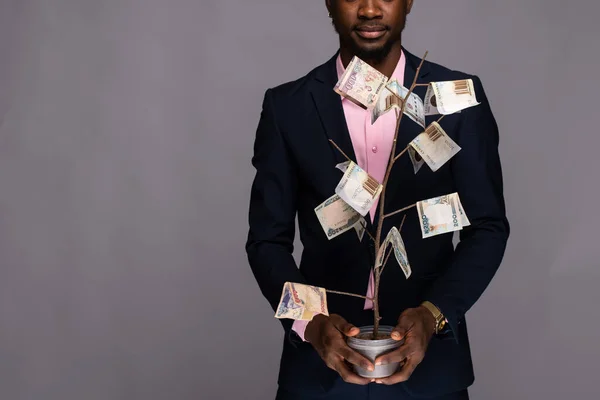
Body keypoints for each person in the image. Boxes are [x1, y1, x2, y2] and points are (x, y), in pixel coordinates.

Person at [245, 1, 510, 399]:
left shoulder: (456, 102)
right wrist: (311, 323)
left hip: (430, 372)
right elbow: (267, 240)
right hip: (319, 375)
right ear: (330, 4)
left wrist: (433, 315)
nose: (370, 9)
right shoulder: (288, 106)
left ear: (408, 2)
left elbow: (487, 228)